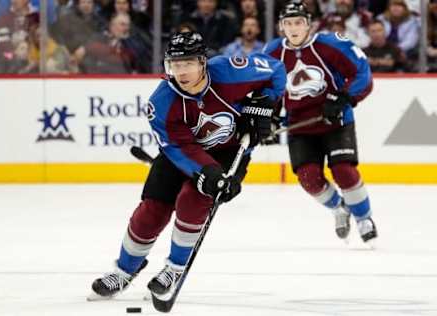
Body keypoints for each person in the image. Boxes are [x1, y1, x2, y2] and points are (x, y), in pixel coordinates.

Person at [88, 31, 286, 300]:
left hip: (230, 151)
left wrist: (266, 103)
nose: (180, 71)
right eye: (175, 64)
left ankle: (175, 268)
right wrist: (208, 172)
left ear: (203, 62)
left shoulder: (231, 72)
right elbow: (181, 148)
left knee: (192, 200)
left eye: (188, 63)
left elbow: (276, 68)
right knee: (151, 212)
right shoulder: (161, 102)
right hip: (181, 154)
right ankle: (124, 271)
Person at [263, 1, 377, 244]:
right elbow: (262, 88)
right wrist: (267, 117)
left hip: (336, 121)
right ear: (281, 26)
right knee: (309, 178)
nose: (294, 28)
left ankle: (363, 218)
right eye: (288, 23)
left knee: (344, 171)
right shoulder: (271, 53)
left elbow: (362, 71)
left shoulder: (330, 44)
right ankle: (339, 208)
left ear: (310, 25)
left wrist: (343, 96)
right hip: (300, 126)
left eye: (299, 23)